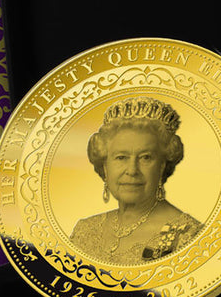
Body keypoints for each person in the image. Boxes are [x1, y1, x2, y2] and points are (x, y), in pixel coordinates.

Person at [69, 97, 201, 263]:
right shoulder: (85, 230)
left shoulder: (187, 235)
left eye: (145, 157)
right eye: (121, 157)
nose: (132, 170)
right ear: (105, 166)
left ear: (162, 166)